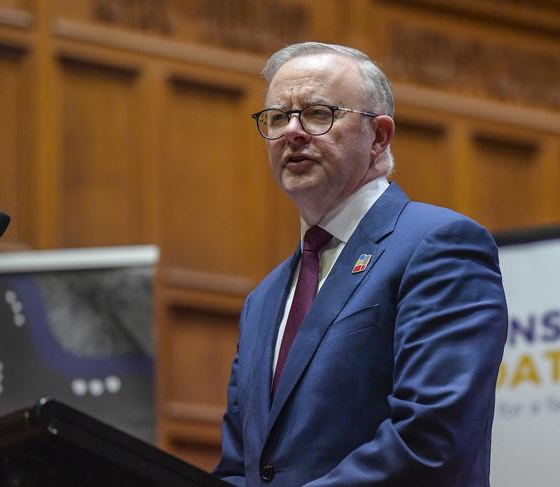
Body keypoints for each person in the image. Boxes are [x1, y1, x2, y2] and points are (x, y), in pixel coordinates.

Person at [214, 42, 508, 487]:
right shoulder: (264, 299)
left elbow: (432, 441)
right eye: (277, 117)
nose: (292, 132)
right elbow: (241, 466)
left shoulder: (439, 245)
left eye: (317, 113)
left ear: (379, 136)